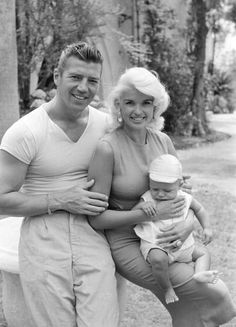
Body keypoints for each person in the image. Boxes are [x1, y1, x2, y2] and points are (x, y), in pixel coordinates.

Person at [88, 67, 236, 326]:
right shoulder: (107, 148)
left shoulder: (164, 141)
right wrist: (141, 213)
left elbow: (181, 196)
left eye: (146, 102)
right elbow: (96, 220)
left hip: (170, 237)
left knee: (185, 310)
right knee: (211, 289)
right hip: (128, 243)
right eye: (130, 102)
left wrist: (187, 225)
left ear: (156, 106)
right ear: (117, 106)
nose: (138, 110)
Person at [0, 42, 120, 327]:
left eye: (92, 81)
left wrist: (167, 185)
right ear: (56, 76)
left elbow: (133, 170)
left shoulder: (107, 127)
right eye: (75, 77)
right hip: (43, 238)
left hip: (93, 235)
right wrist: (61, 199)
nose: (83, 87)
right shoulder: (26, 132)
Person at [133, 153, 220, 305]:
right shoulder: (147, 198)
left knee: (203, 253)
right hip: (157, 245)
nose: (160, 194)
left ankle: (200, 273)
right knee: (158, 260)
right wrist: (142, 206)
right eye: (155, 189)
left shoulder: (184, 197)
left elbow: (199, 210)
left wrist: (207, 227)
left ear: (179, 185)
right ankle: (167, 288)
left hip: (184, 247)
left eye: (167, 191)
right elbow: (133, 214)